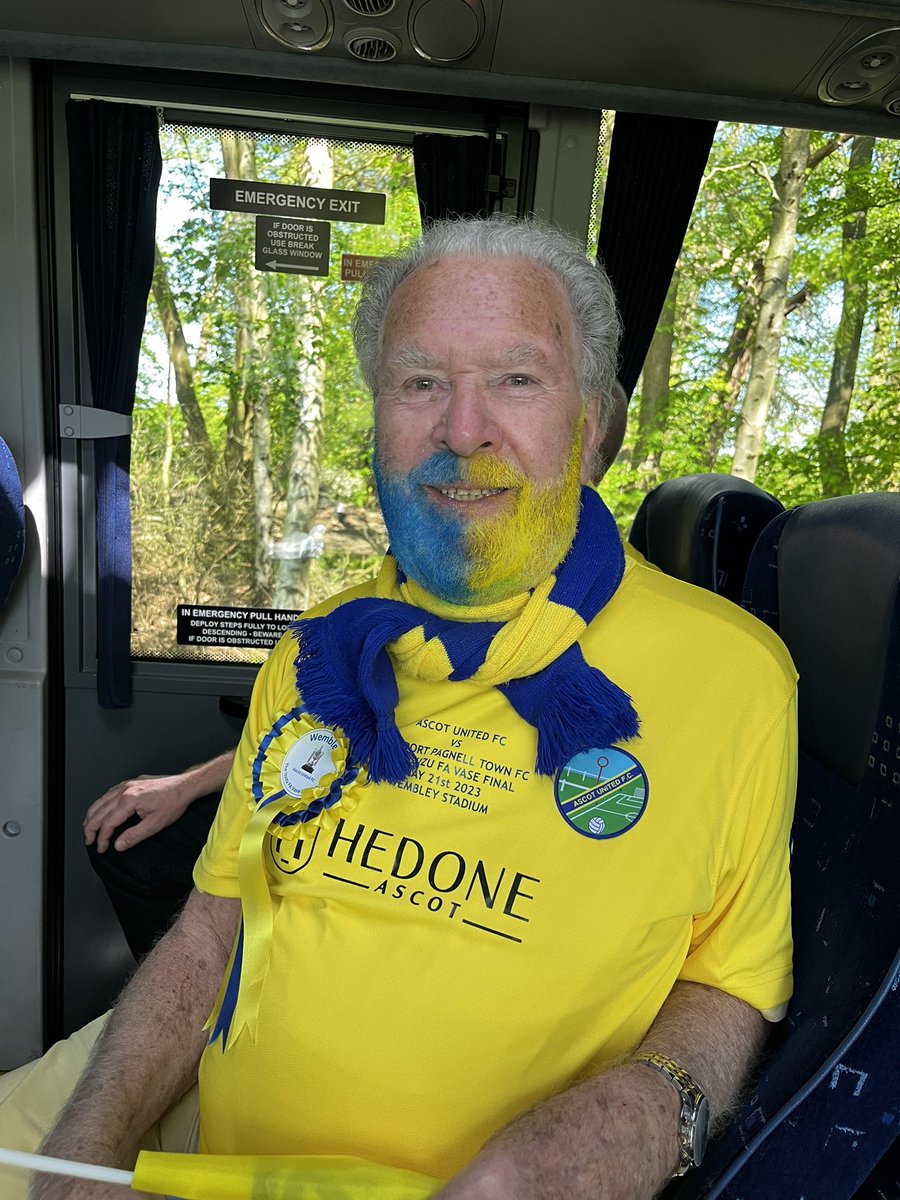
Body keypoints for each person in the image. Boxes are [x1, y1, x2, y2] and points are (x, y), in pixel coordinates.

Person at [5, 215, 798, 1200]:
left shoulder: (736, 679)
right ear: (379, 417)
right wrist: (93, 1133)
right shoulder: (321, 649)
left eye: (517, 379)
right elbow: (215, 927)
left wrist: (637, 1120)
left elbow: (730, 982)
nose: (462, 430)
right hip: (206, 1158)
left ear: (591, 420)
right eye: (421, 383)